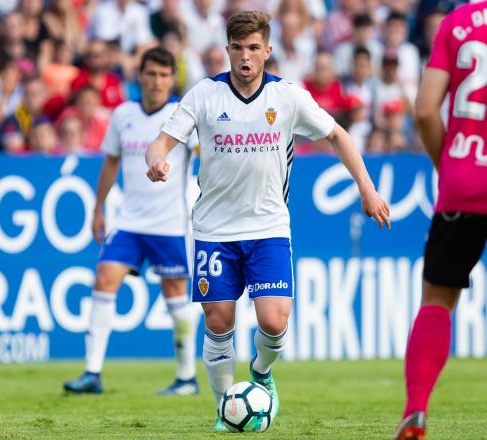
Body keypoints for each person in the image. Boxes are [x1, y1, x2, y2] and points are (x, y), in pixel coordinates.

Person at [145, 11, 390, 430]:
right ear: (227, 51)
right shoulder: (204, 95)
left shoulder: (287, 97)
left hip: (268, 228)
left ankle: (261, 373)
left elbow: (337, 135)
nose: (245, 56)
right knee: (219, 322)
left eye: (254, 48)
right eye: (238, 48)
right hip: (214, 231)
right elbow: (162, 142)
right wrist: (157, 161)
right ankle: (226, 408)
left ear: (267, 52)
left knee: (274, 322)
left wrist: (366, 188)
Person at [63, 47, 199, 396]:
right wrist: (98, 208)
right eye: (151, 74)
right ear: (140, 76)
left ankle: (186, 377)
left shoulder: (182, 115)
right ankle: (92, 372)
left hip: (171, 223)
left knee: (175, 296)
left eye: (164, 75)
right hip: (129, 221)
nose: (157, 81)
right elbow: (110, 162)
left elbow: (209, 159)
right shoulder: (123, 114)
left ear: (172, 79)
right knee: (104, 279)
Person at [393, 2, 487, 439]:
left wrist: (447, 166)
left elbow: (426, 110)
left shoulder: (459, 22)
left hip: (464, 181)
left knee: (437, 300)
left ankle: (416, 411)